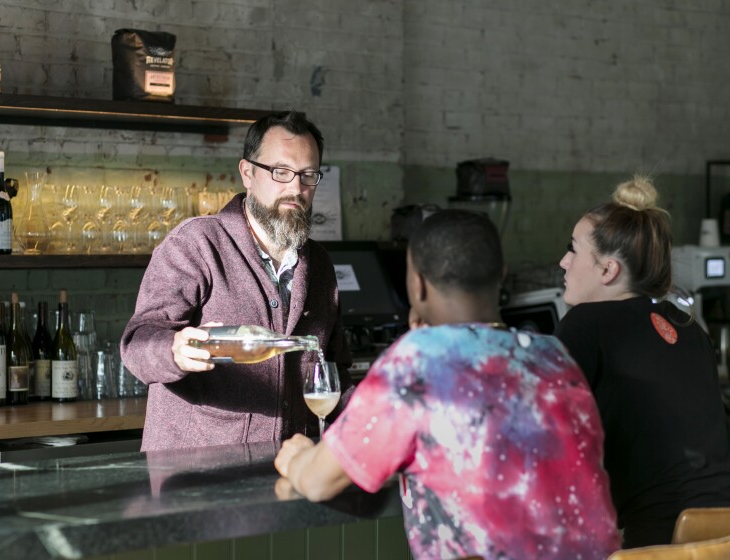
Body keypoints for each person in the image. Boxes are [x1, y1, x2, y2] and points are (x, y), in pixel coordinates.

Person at [274, 209, 621, 560]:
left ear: (417, 285)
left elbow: (319, 481)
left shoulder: (416, 361)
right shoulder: (555, 357)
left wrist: (298, 458)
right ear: (500, 276)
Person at [121, 110, 353, 451]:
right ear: (247, 173)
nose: (296, 188)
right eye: (281, 172)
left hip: (288, 469)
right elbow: (137, 342)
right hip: (196, 471)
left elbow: (335, 372)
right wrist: (175, 350)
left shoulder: (319, 264)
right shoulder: (196, 243)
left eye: (308, 175)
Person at [554, 175, 730, 548]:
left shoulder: (586, 324)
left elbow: (548, 430)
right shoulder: (689, 327)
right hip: (722, 531)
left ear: (608, 270)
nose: (564, 261)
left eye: (573, 249)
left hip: (659, 541)